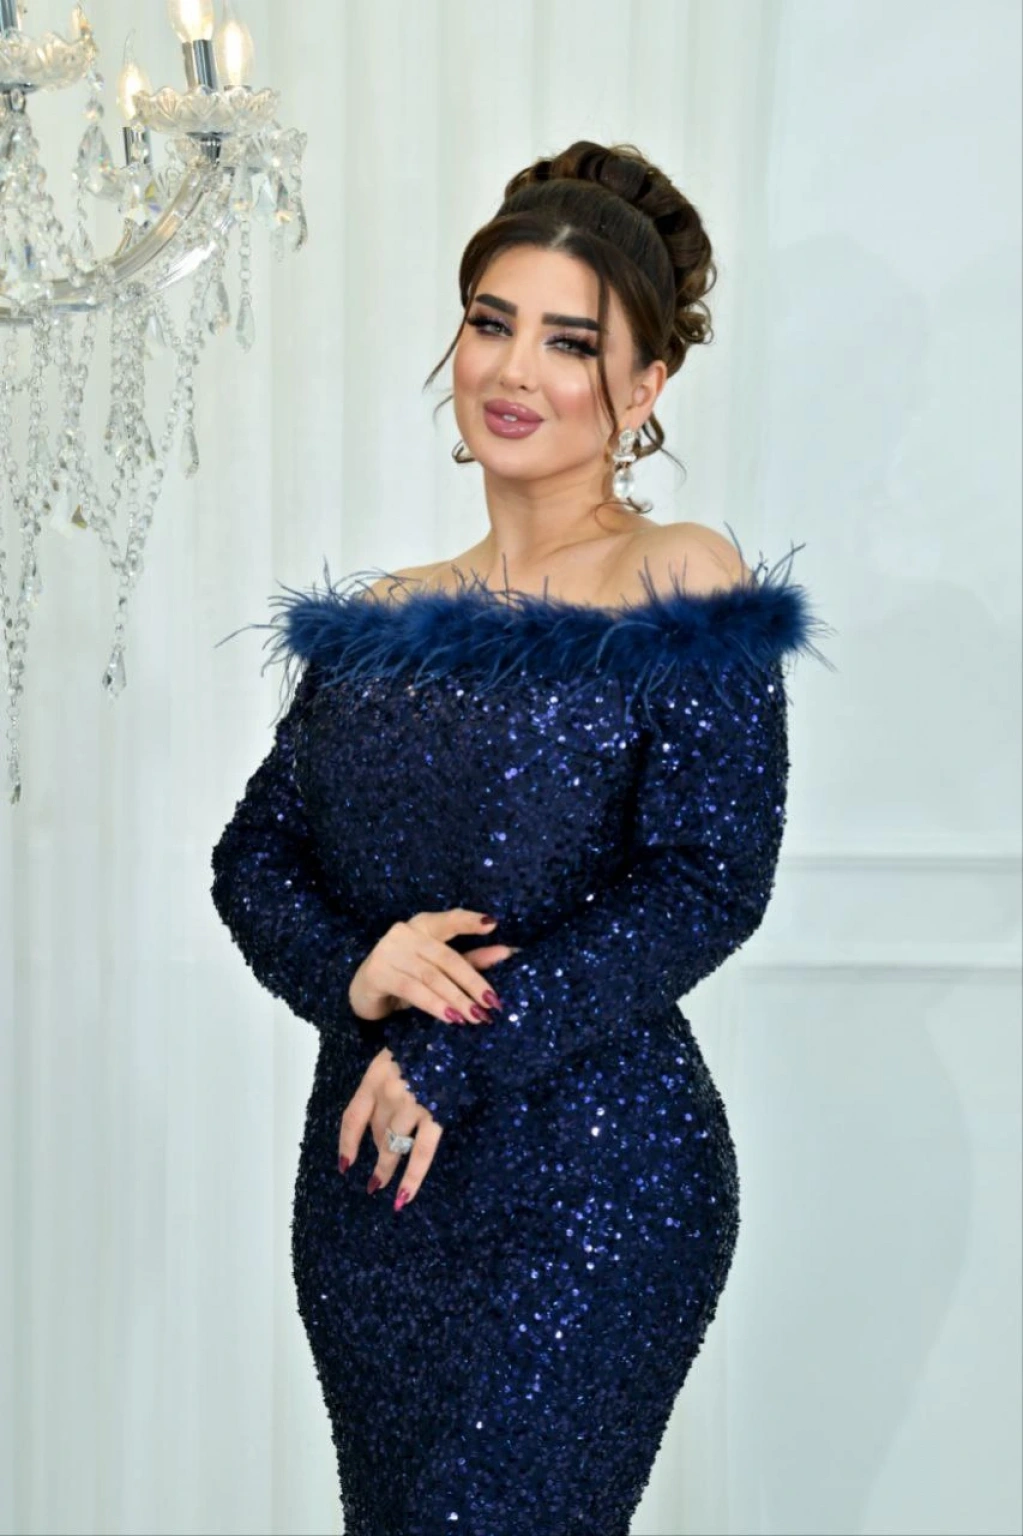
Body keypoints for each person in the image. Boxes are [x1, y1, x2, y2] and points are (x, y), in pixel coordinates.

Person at [210, 140, 832, 1536]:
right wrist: (357, 969)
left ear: (644, 387)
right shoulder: (384, 616)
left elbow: (707, 882)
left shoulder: (679, 577)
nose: (513, 370)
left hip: (592, 1193)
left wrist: (448, 1047)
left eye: (570, 342)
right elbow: (254, 860)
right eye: (492, 323)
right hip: (378, 1194)